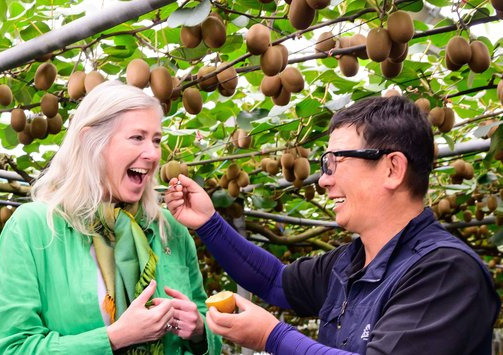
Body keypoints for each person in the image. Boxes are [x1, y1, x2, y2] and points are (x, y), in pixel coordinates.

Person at [165, 96, 501, 354]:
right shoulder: (350, 261)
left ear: (392, 169)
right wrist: (209, 223)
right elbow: (274, 282)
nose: (324, 180)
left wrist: (272, 336)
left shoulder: (447, 273)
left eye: (334, 162)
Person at [0, 81, 221, 354]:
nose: (153, 153)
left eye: (156, 140)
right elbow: (11, 348)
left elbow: (207, 324)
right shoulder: (32, 227)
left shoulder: (170, 228)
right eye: (137, 137)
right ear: (90, 141)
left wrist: (200, 332)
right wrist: (115, 337)